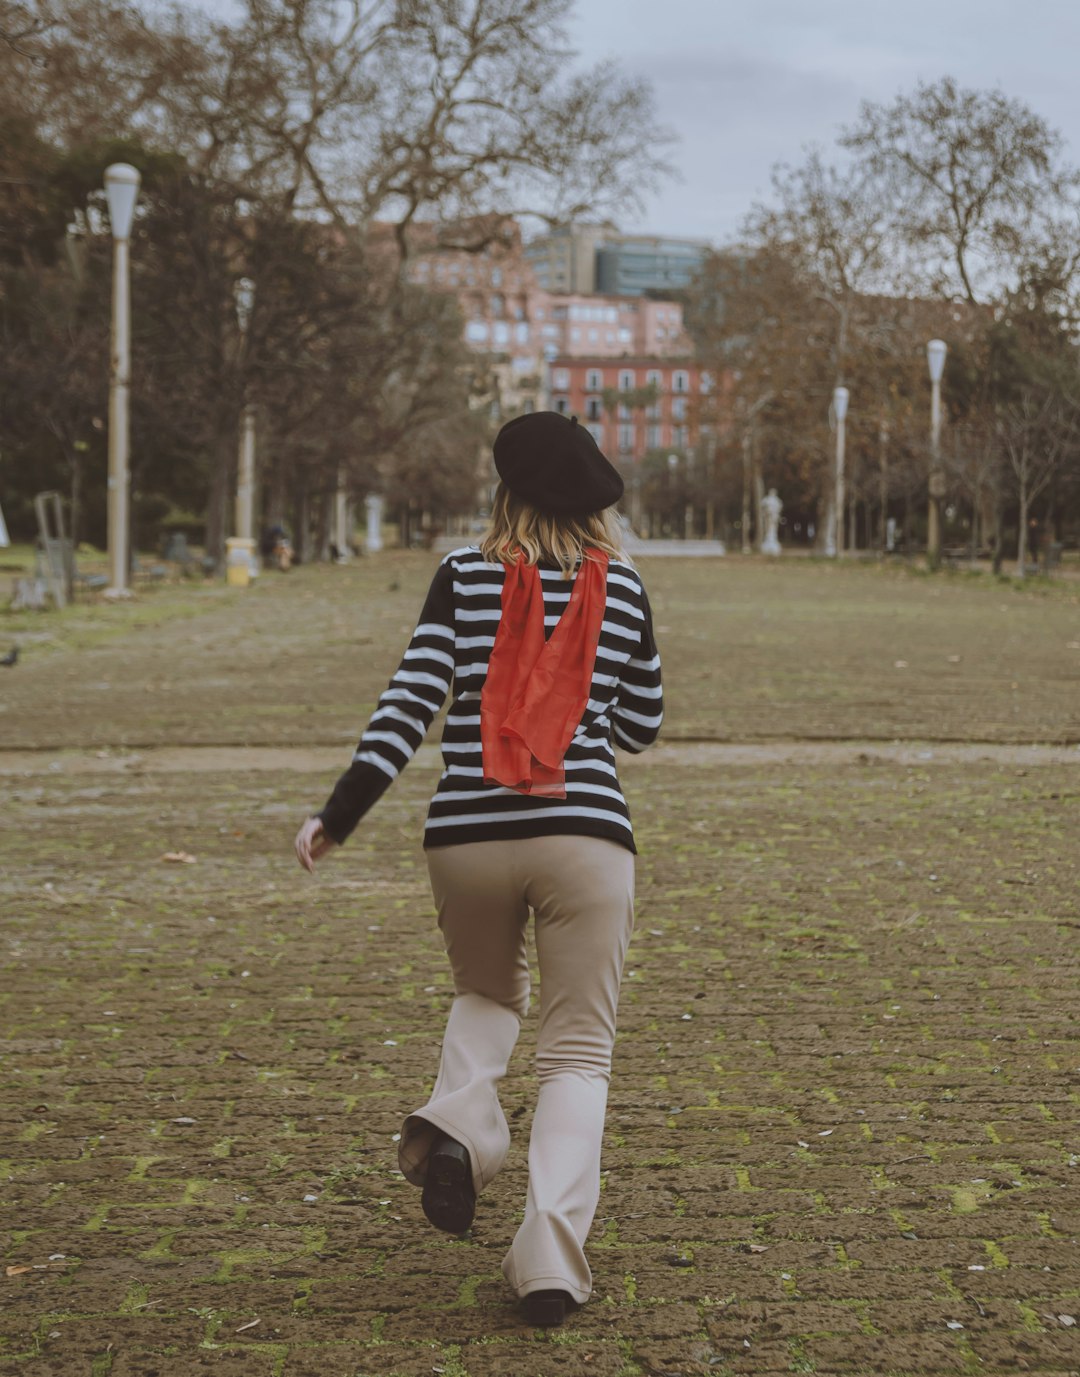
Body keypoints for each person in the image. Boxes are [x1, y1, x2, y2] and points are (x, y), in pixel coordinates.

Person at [294, 411, 664, 1327]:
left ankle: (460, 1125)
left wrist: (336, 817)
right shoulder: (623, 588)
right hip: (586, 838)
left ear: (504, 495)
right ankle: (548, 1260)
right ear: (593, 507)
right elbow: (641, 726)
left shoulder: (461, 577)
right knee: (577, 1052)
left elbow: (408, 705)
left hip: (464, 835)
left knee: (488, 996)